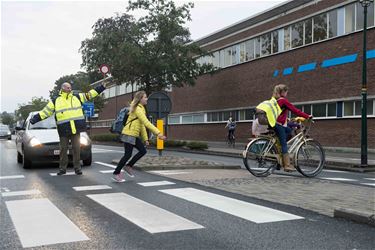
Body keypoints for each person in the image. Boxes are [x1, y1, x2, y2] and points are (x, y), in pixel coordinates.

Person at [30, 81, 107, 175]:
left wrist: (101, 87)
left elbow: (90, 95)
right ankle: (62, 169)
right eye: (67, 87)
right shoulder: (56, 100)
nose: (70, 89)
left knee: (76, 149)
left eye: (70, 87)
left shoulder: (77, 97)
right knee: (63, 150)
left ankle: (77, 168)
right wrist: (34, 119)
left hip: (75, 128)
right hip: (63, 129)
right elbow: (45, 112)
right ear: (62, 88)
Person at [112, 91, 166, 182]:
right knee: (127, 155)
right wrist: (158, 133)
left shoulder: (141, 109)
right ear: (140, 99)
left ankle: (128, 166)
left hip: (134, 134)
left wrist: (145, 139)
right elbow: (146, 123)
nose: (147, 99)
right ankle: (116, 173)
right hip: (129, 134)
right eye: (145, 97)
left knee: (143, 151)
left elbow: (141, 125)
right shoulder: (137, 109)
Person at [273, 84, 312, 172]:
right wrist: (307, 116)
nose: (287, 93)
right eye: (286, 92)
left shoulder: (276, 101)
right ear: (283, 92)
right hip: (279, 124)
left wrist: (288, 120)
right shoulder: (283, 101)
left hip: (274, 123)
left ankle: (280, 157)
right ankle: (287, 165)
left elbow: (279, 114)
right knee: (284, 144)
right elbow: (295, 110)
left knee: (289, 130)